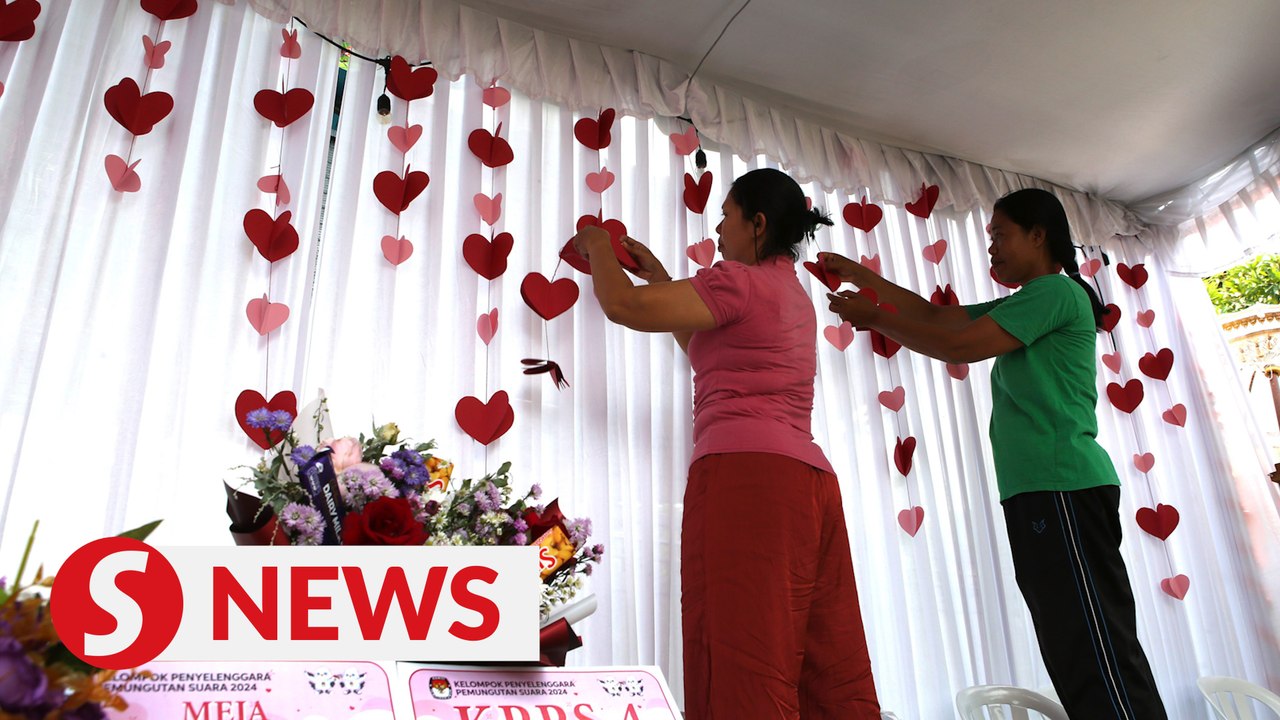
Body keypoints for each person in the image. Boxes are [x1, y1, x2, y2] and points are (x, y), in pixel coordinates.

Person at [824, 187, 1166, 719]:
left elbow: (959, 346)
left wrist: (876, 317)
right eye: (989, 240)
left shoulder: (1054, 291)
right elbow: (945, 321)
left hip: (1062, 487)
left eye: (1000, 236)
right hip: (1040, 492)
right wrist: (866, 280)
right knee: (1073, 646)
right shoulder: (1032, 298)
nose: (992, 249)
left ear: (1039, 235)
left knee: (1093, 649)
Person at [572, 168, 881, 719]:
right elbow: (709, 350)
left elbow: (621, 307)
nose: (717, 230)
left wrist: (596, 242)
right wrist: (662, 277)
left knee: (741, 656)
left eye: (726, 217)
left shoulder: (735, 281)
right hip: (809, 485)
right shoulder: (791, 294)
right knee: (824, 659)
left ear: (756, 224)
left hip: (748, 480)